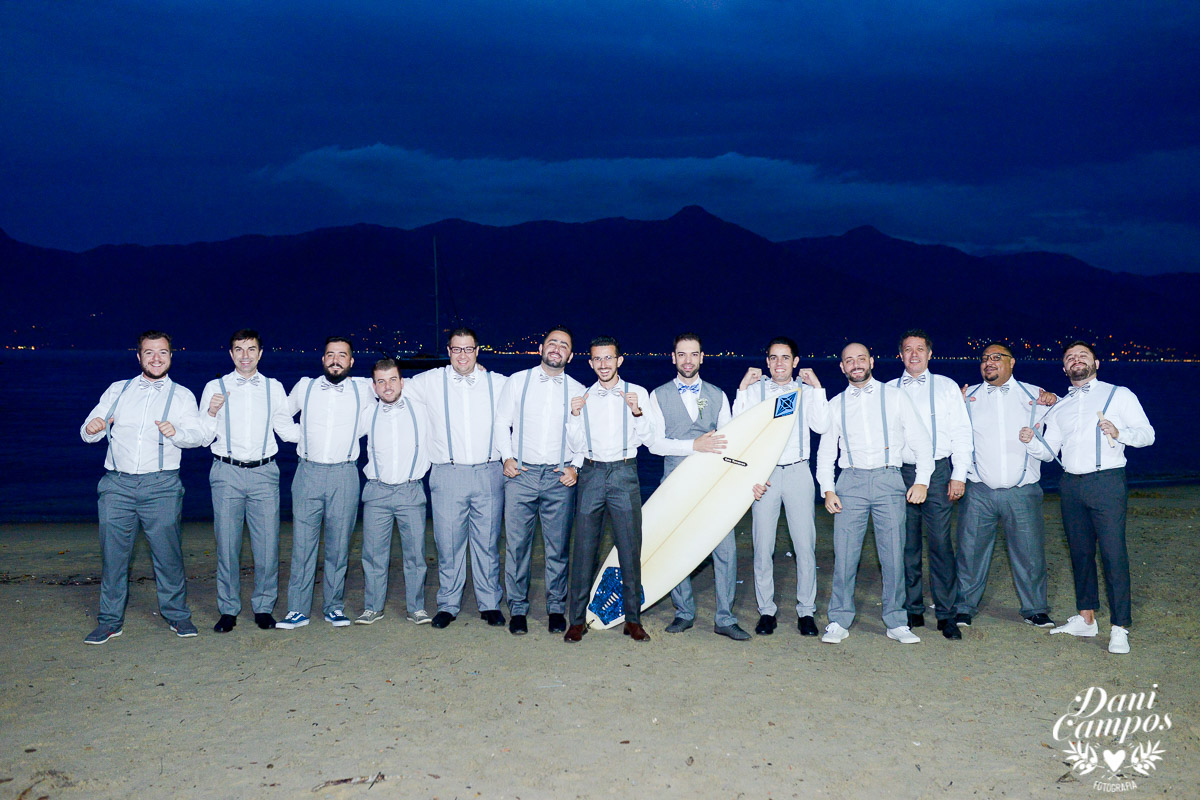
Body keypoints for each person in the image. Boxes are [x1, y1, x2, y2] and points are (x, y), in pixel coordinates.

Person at [1023, 341, 1154, 655]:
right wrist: (1030, 441)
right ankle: (1086, 619)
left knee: (1113, 555)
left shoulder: (1118, 395)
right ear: (1064, 368)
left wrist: (1120, 433)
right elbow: (1048, 450)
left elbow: (1147, 434)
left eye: (1082, 355)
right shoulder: (1061, 407)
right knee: (1080, 554)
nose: (1076, 360)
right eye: (1070, 358)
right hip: (1070, 484)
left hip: (1107, 482)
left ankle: (1120, 627)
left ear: (1096, 362)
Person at [80, 330, 206, 643]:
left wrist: (176, 432)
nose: (155, 358)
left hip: (161, 485)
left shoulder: (182, 395)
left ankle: (178, 616)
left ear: (171, 356)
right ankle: (109, 621)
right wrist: (92, 427)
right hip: (116, 485)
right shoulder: (118, 390)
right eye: (149, 352)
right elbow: (89, 428)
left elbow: (198, 436)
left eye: (162, 352)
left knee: (168, 556)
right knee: (113, 558)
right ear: (139, 356)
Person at [817, 342, 933, 645]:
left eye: (860, 358)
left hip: (888, 479)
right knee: (844, 555)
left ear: (871, 361)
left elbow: (921, 440)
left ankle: (896, 619)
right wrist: (827, 489)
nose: (855, 364)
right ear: (842, 367)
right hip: (850, 482)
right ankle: (839, 618)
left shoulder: (895, 397)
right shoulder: (835, 404)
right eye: (848, 361)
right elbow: (826, 451)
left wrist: (921, 481)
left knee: (894, 554)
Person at [646, 333, 750, 640]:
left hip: (713, 486)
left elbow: (729, 444)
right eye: (682, 354)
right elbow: (653, 444)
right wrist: (694, 445)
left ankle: (725, 618)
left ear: (702, 357)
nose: (688, 360)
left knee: (726, 551)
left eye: (694, 354)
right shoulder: (658, 395)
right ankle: (684, 612)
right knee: (675, 550)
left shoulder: (718, 394)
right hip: (674, 486)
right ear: (674, 358)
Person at [198, 329, 300, 633]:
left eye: (251, 349)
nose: (245, 355)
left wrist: (326, 437)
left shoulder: (273, 387)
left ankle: (264, 607)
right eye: (239, 349)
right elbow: (204, 435)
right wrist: (211, 411)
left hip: (264, 473)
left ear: (260, 353)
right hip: (226, 472)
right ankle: (228, 609)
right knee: (227, 545)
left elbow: (287, 430)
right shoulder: (213, 387)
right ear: (231, 354)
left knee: (267, 544)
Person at [954, 341, 1057, 633]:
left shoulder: (1034, 394)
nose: (989, 362)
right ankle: (964, 607)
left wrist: (1053, 398)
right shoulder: (967, 397)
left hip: (1022, 490)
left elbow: (1063, 419)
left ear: (1012, 363)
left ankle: (1035, 609)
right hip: (979, 490)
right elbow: (951, 434)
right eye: (985, 358)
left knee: (1029, 552)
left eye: (997, 358)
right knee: (970, 552)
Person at [406, 328, 507, 629]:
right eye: (457, 349)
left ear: (478, 351)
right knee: (448, 544)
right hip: (447, 474)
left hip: (489, 473)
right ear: (449, 351)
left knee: (487, 543)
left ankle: (489, 603)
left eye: (469, 349)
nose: (463, 355)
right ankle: (448, 604)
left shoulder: (498, 383)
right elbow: (389, 387)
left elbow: (530, 404)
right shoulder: (429, 381)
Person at [732, 336, 829, 637]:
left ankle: (806, 612)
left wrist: (819, 388)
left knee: (805, 546)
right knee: (763, 546)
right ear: (767, 361)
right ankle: (767, 611)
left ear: (795, 361)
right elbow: (739, 427)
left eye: (785, 358)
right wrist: (742, 388)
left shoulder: (807, 391)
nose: (779, 364)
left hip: (799, 471)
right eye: (773, 358)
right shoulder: (758, 390)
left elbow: (822, 426)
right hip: (766, 474)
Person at [494, 327, 586, 636]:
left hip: (559, 479)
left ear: (570, 355)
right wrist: (506, 456)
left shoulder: (578, 389)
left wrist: (576, 466)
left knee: (557, 548)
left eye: (564, 345)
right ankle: (517, 609)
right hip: (521, 475)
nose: (557, 348)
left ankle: (556, 609)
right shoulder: (518, 381)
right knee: (517, 546)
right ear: (541, 348)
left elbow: (583, 436)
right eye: (552, 343)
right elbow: (501, 422)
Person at [563, 335, 656, 643]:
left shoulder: (638, 393)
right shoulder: (583, 397)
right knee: (584, 549)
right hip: (591, 473)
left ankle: (633, 620)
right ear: (590, 363)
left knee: (630, 549)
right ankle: (576, 620)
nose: (603, 364)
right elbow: (575, 445)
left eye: (608, 358)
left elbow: (649, 439)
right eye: (597, 359)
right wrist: (575, 417)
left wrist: (638, 412)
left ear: (619, 360)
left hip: (624, 473)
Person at [276, 337, 373, 630]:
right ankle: (297, 610)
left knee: (338, 545)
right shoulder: (305, 387)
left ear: (351, 362)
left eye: (342, 355)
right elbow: (280, 414)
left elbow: (399, 387)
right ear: (323, 359)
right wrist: (299, 436)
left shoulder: (364, 388)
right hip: (308, 473)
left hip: (344, 474)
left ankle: (333, 606)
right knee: (303, 544)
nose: (336, 360)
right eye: (331, 354)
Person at [886, 329, 972, 640]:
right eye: (907, 349)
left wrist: (959, 473)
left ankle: (947, 613)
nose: (913, 355)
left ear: (929, 354)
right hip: (901, 473)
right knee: (906, 545)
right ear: (900, 354)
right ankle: (912, 609)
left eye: (919, 349)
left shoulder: (946, 387)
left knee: (939, 544)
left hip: (937, 472)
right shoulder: (889, 390)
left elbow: (962, 432)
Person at [353, 359, 431, 626]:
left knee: (415, 555)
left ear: (402, 382)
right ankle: (373, 607)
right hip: (376, 492)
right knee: (373, 554)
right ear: (373, 386)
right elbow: (343, 434)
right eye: (381, 381)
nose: (387, 386)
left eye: (392, 380)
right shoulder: (367, 414)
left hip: (411, 491)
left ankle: (416, 607)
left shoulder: (421, 409)